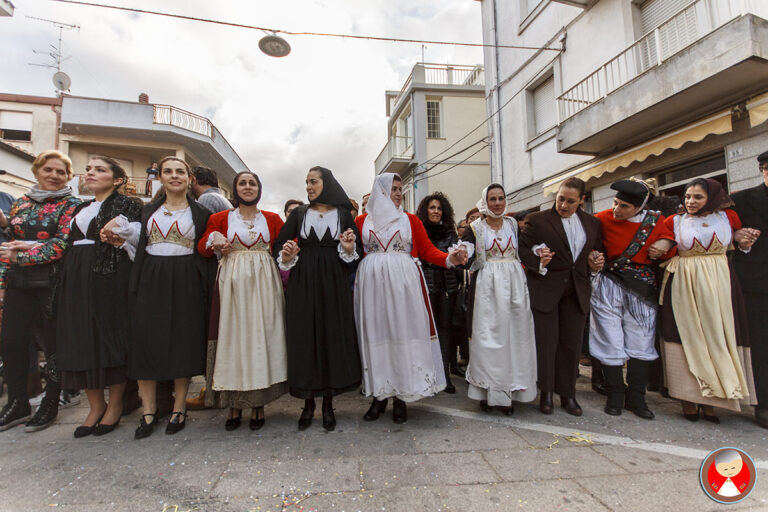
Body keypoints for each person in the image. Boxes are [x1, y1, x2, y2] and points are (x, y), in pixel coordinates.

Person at [102, 156, 216, 439]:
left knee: (182, 341)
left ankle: (179, 408)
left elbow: (205, 249)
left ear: (189, 179)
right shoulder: (146, 212)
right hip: (151, 277)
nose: (174, 176)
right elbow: (133, 245)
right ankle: (148, 410)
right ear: (161, 177)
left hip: (187, 278)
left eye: (180, 171)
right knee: (146, 342)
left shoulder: (201, 214)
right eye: (168, 171)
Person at [355, 176, 466, 424]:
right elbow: (353, 253)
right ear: (379, 191)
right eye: (392, 189)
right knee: (377, 337)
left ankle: (401, 398)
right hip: (372, 286)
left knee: (401, 337)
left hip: (404, 285)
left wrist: (450, 259)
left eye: (400, 189)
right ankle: (379, 395)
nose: (398, 193)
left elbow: (427, 250)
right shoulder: (362, 220)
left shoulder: (411, 220)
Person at [659, 178, 759, 423]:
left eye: (697, 197)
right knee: (688, 337)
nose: (690, 202)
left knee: (718, 336)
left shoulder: (729, 219)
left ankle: (715, 400)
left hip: (720, 283)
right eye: (688, 197)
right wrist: (661, 247)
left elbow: (738, 243)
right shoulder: (673, 221)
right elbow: (663, 245)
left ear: (712, 198)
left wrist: (744, 241)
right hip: (685, 283)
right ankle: (688, 399)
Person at [57, 156, 142, 438]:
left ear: (118, 180)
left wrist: (120, 235)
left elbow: (138, 239)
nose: (91, 173)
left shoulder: (127, 205)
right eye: (90, 169)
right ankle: (95, 406)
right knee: (80, 336)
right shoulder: (80, 207)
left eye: (100, 170)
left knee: (110, 334)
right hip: (76, 273)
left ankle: (115, 404)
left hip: (109, 273)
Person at [198, 171, 288, 431]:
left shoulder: (272, 219)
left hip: (264, 284)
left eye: (253, 183)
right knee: (233, 338)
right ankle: (234, 404)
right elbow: (203, 247)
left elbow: (285, 248)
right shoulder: (220, 218)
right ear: (235, 189)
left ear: (259, 189)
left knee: (261, 337)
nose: (248, 187)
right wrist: (215, 241)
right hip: (232, 283)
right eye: (242, 183)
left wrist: (290, 250)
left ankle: (259, 404)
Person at [274, 166, 362, 431]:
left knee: (331, 337)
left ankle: (327, 404)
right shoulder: (300, 213)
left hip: (334, 282)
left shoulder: (345, 215)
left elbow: (354, 251)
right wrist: (287, 254)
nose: (308, 187)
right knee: (305, 337)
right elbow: (279, 244)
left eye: (313, 182)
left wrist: (348, 248)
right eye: (306, 183)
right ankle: (307, 403)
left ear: (327, 183)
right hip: (304, 281)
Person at [0, 150, 81, 432]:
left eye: (61, 172)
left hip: (52, 282)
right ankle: (18, 402)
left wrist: (22, 255)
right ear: (37, 171)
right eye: (49, 170)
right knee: (12, 341)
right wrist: (6, 229)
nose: (54, 176)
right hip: (18, 282)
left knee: (52, 345)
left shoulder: (72, 204)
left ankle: (51, 400)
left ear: (68, 177)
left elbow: (61, 245)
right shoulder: (21, 202)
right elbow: (13, 239)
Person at [589, 179, 675, 419]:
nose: (616, 210)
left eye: (624, 206)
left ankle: (637, 396)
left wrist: (664, 244)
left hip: (641, 288)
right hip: (608, 285)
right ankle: (615, 392)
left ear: (640, 206)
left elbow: (671, 243)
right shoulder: (602, 218)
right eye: (615, 203)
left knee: (641, 341)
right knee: (609, 337)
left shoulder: (656, 222)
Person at [518, 178, 604, 416]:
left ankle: (568, 394)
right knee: (546, 343)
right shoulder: (538, 220)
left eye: (570, 201)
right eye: (561, 199)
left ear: (582, 201)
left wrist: (595, 261)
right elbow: (522, 250)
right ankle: (546, 393)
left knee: (571, 344)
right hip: (546, 289)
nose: (564, 205)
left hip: (577, 290)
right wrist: (538, 260)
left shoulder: (592, 223)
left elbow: (596, 251)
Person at [460, 184, 537, 414]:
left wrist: (539, 257)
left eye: (501, 198)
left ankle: (511, 393)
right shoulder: (474, 228)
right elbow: (466, 255)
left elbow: (522, 252)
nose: (497, 203)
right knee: (489, 339)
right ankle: (489, 393)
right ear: (485, 202)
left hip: (514, 285)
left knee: (515, 337)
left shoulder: (513, 224)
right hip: (487, 288)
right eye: (492, 199)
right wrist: (461, 253)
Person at [732, 151, 768, 429]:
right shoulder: (743, 200)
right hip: (758, 285)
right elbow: (727, 236)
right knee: (762, 345)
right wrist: (738, 238)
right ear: (762, 170)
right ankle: (764, 403)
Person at [415, 191, 464, 395]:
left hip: (446, 286)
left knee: (445, 331)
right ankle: (428, 376)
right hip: (425, 285)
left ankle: (444, 376)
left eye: (439, 208)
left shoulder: (450, 232)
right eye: (432, 207)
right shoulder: (419, 229)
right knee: (426, 333)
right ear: (426, 210)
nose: (436, 211)